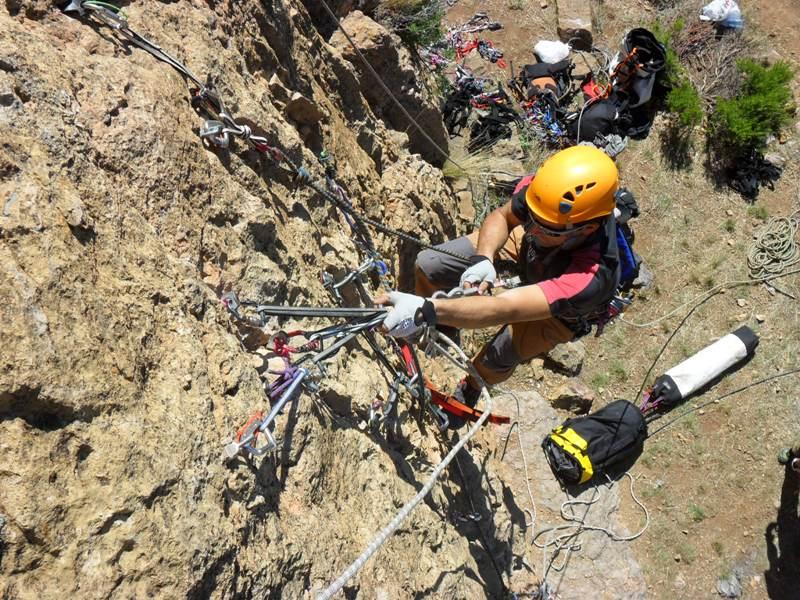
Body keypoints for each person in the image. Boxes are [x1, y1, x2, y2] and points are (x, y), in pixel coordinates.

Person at [379, 145, 623, 425]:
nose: (530, 227)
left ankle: (470, 388)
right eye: (530, 218)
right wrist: (483, 258)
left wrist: (428, 308)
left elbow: (505, 308)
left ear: (587, 228)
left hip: (560, 312)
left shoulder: (591, 277)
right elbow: (505, 217)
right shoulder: (546, 196)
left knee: (498, 356)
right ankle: (443, 328)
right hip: (538, 252)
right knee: (430, 263)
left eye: (544, 225)